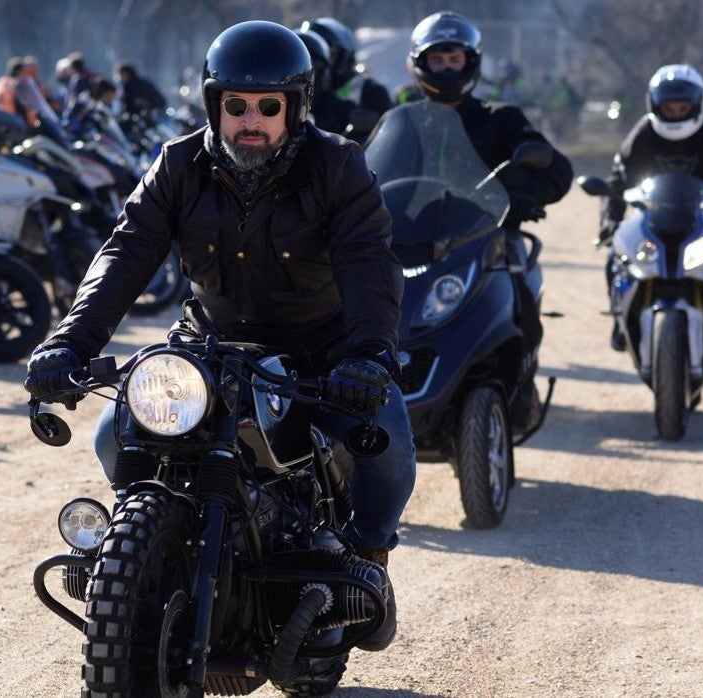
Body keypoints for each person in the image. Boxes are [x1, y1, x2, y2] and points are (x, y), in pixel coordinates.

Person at [22, 20, 413, 652]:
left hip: (322, 348)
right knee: (114, 435)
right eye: (236, 105)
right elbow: (125, 253)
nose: (250, 121)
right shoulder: (178, 165)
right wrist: (70, 343)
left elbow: (369, 262)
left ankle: (368, 561)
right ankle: (150, 551)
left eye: (268, 107)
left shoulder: (338, 166)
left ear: (295, 108)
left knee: (386, 444)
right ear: (214, 105)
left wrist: (368, 355)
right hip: (210, 343)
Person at [407, 11, 573, 433]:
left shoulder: (502, 118)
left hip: (487, 237)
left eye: (455, 59)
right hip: (410, 240)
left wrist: (526, 195)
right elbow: (368, 169)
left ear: (471, 62)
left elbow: (557, 169)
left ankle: (520, 384)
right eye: (438, 60)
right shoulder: (403, 120)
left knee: (520, 291)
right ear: (421, 63)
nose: (447, 68)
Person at [601, 65, 703, 349]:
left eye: (682, 108)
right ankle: (621, 319)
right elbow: (617, 182)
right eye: (668, 108)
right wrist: (610, 222)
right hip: (650, 216)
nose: (675, 114)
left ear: (697, 105)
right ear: (655, 106)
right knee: (616, 258)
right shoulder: (642, 134)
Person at [301, 17, 393, 141]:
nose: (314, 64)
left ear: (345, 57)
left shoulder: (371, 91)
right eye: (308, 55)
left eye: (329, 54)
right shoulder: (305, 92)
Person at [293, 27, 354, 135]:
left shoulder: (343, 111)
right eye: (295, 74)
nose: (304, 81)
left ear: (325, 73)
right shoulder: (276, 109)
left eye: (313, 71)